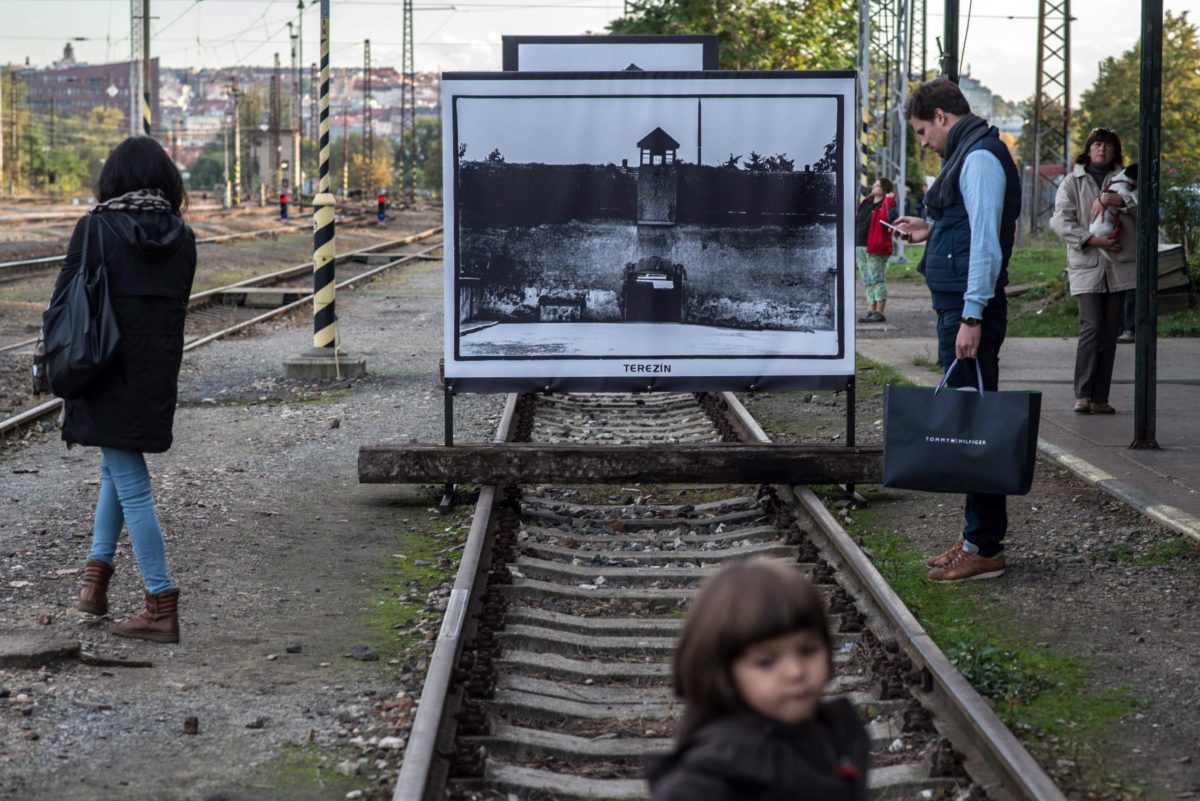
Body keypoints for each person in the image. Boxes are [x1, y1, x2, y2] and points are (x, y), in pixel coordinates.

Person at [64, 136, 197, 643]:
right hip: (156, 373)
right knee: (115, 467)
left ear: (113, 179)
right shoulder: (182, 237)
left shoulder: (96, 228)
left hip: (102, 369)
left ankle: (161, 605)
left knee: (131, 481)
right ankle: (93, 587)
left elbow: (64, 302)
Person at [893, 78, 1021, 582]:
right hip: (959, 311)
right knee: (969, 423)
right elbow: (968, 228)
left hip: (971, 315)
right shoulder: (967, 156)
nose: (923, 142)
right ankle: (974, 538)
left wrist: (971, 316)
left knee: (974, 430)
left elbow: (987, 244)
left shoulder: (980, 159)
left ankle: (985, 546)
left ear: (942, 117)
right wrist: (930, 230)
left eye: (923, 131)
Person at [646, 560, 869, 801]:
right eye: (766, 662)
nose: (795, 672)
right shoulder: (711, 779)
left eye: (808, 650)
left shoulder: (834, 734)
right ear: (722, 669)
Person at [1049, 127, 1137, 414]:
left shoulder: (1126, 180)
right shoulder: (1072, 182)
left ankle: (1101, 398)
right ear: (1088, 150)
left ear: (1115, 151)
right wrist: (1090, 239)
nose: (1102, 150)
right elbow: (1061, 221)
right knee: (1092, 327)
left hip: (1118, 265)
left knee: (1111, 333)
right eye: (1098, 145)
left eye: (1109, 145)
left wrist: (1114, 199)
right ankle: (1083, 394)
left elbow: (1144, 207)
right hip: (1086, 263)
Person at [854, 177, 897, 323]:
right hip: (861, 244)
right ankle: (870, 309)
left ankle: (880, 311)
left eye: (878, 185)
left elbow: (891, 219)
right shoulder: (866, 202)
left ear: (885, 189)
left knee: (877, 278)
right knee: (866, 279)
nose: (874, 187)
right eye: (875, 184)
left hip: (876, 247)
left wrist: (890, 200)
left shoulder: (886, 204)